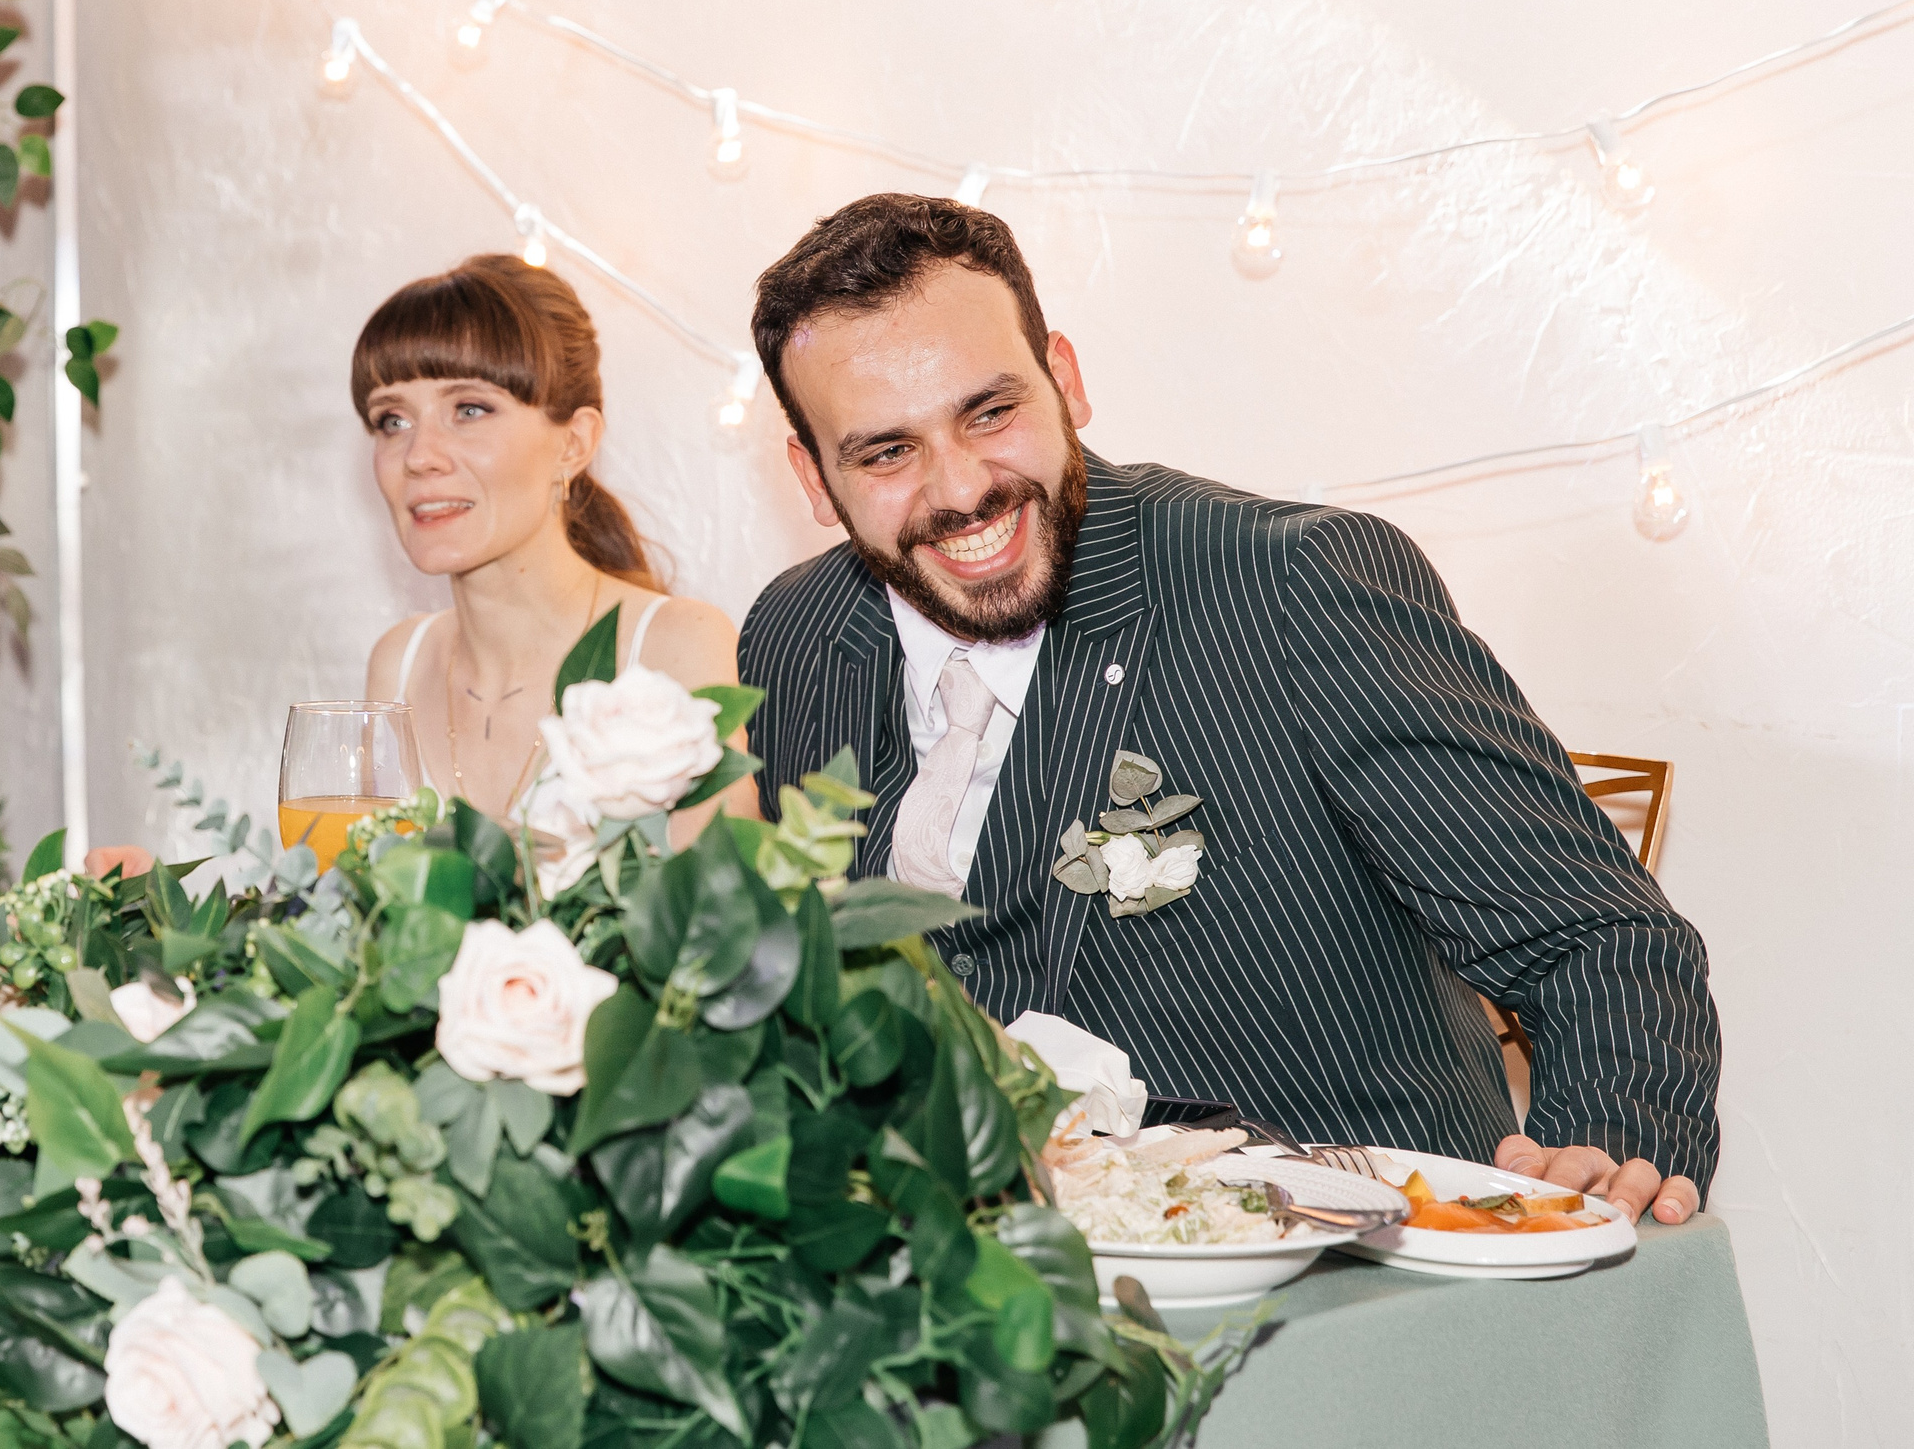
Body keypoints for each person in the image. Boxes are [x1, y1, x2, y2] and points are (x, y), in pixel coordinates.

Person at [738, 193, 1720, 1221]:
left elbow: (1597, 942)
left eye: (990, 413)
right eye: (885, 453)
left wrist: (1591, 1191)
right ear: (813, 475)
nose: (960, 489)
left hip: (1341, 1287)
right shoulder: (794, 638)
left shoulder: (1290, 584)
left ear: (1063, 378)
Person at [356, 254, 755, 834]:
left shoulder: (675, 646)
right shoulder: (399, 663)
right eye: (391, 420)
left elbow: (723, 914)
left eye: (469, 410)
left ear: (574, 443)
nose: (418, 455)